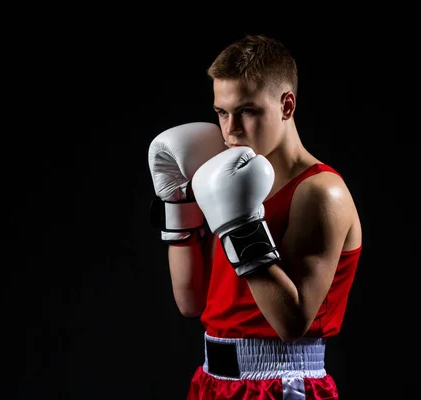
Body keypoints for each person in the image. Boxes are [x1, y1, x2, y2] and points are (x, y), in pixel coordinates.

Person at [148, 34, 362, 400]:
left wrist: (239, 222)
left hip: (284, 384)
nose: (230, 130)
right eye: (221, 112)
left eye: (247, 110)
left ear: (287, 105)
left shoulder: (321, 192)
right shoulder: (224, 178)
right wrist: (178, 198)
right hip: (212, 381)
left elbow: (292, 323)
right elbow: (191, 302)